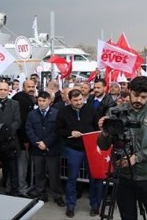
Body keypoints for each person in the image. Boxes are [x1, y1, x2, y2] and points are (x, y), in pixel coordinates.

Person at [97, 76, 147, 220]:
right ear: (129, 91)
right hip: (123, 176)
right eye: (136, 95)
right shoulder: (114, 112)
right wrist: (104, 132)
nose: (139, 100)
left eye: (144, 97)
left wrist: (137, 157)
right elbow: (103, 146)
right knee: (127, 216)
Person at [56, 89, 103, 218]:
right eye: (75, 100)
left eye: (81, 99)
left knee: (95, 178)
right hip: (73, 149)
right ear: (69, 100)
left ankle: (95, 205)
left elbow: (97, 128)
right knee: (71, 179)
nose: (79, 102)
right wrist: (70, 133)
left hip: (90, 149)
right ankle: (70, 206)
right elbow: (58, 130)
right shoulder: (63, 112)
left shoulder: (91, 110)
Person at [25, 91, 65, 207]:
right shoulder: (32, 114)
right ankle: (41, 193)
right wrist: (38, 143)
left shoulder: (57, 113)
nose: (41, 103)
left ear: (49, 101)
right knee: (39, 173)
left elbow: (57, 131)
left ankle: (57, 196)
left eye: (44, 101)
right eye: (39, 101)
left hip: (52, 149)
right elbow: (29, 129)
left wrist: (46, 143)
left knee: (54, 174)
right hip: (37, 149)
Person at [12, 79, 37, 196]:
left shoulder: (28, 98)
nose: (31, 89)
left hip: (23, 138)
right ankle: (22, 189)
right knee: (22, 166)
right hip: (21, 139)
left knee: (22, 165)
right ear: (23, 87)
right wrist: (25, 140)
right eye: (29, 86)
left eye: (33, 86)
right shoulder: (22, 99)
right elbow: (22, 122)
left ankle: (17, 187)